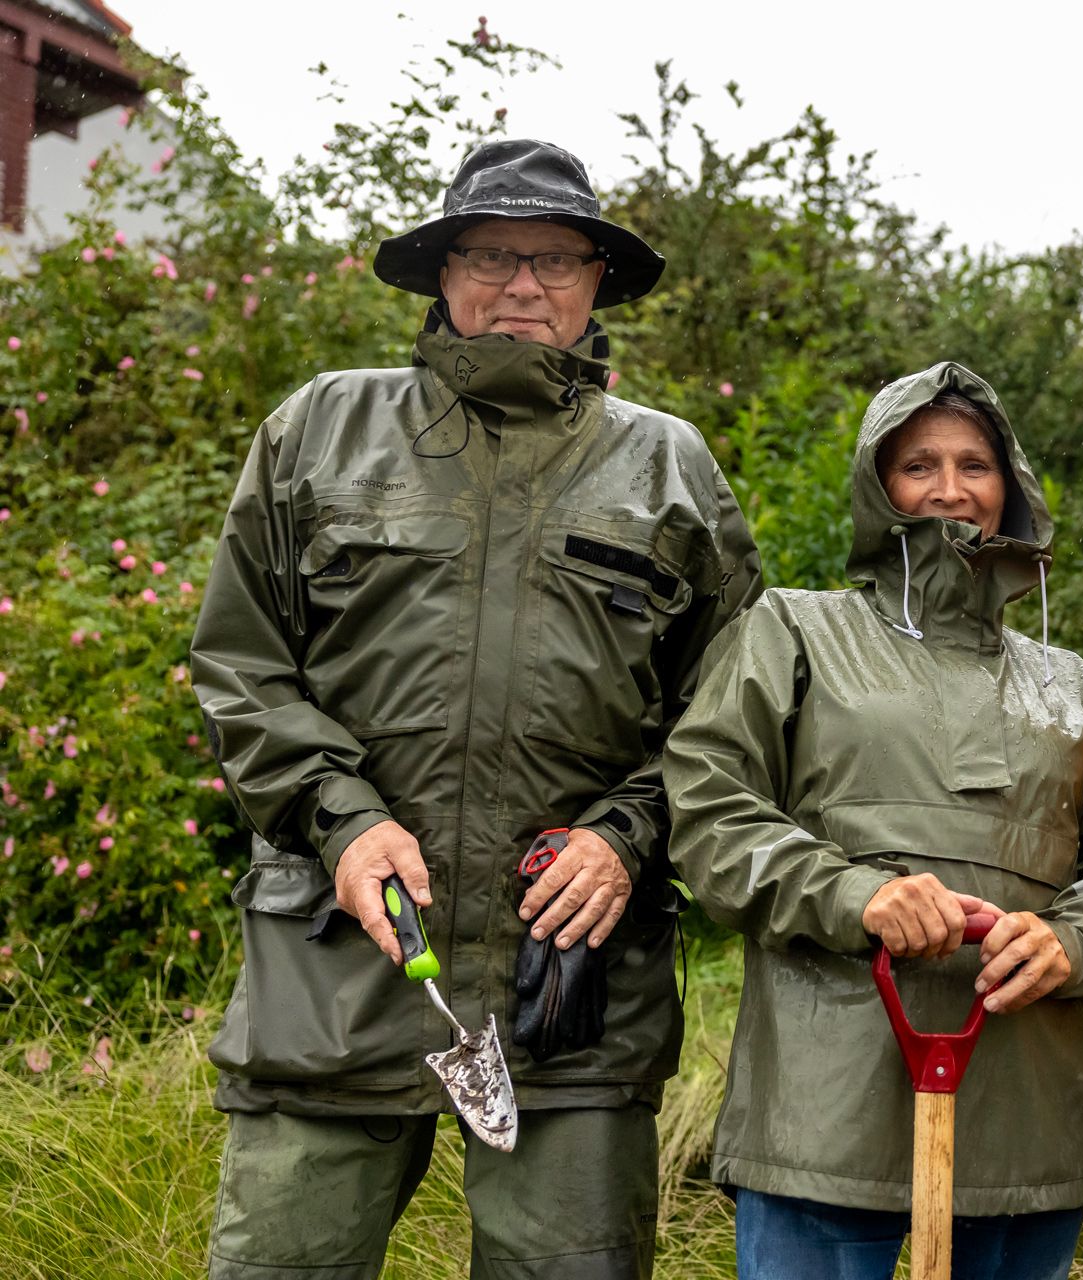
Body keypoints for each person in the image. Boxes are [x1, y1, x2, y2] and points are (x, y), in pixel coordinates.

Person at [191, 138, 760, 1279]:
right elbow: (241, 664)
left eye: (555, 258)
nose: (521, 284)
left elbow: (729, 715)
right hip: (337, 971)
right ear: (443, 271)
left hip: (572, 988)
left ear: (598, 280)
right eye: (492, 252)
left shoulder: (672, 469)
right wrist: (342, 817)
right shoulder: (319, 430)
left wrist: (625, 833)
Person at [664, 361, 1083, 1280]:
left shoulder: (1072, 682)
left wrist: (1076, 941)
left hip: (1027, 1125)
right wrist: (860, 895)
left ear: (1011, 489)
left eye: (976, 464)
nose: (950, 489)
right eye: (917, 464)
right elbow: (710, 815)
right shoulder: (792, 632)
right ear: (877, 487)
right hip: (822, 1120)